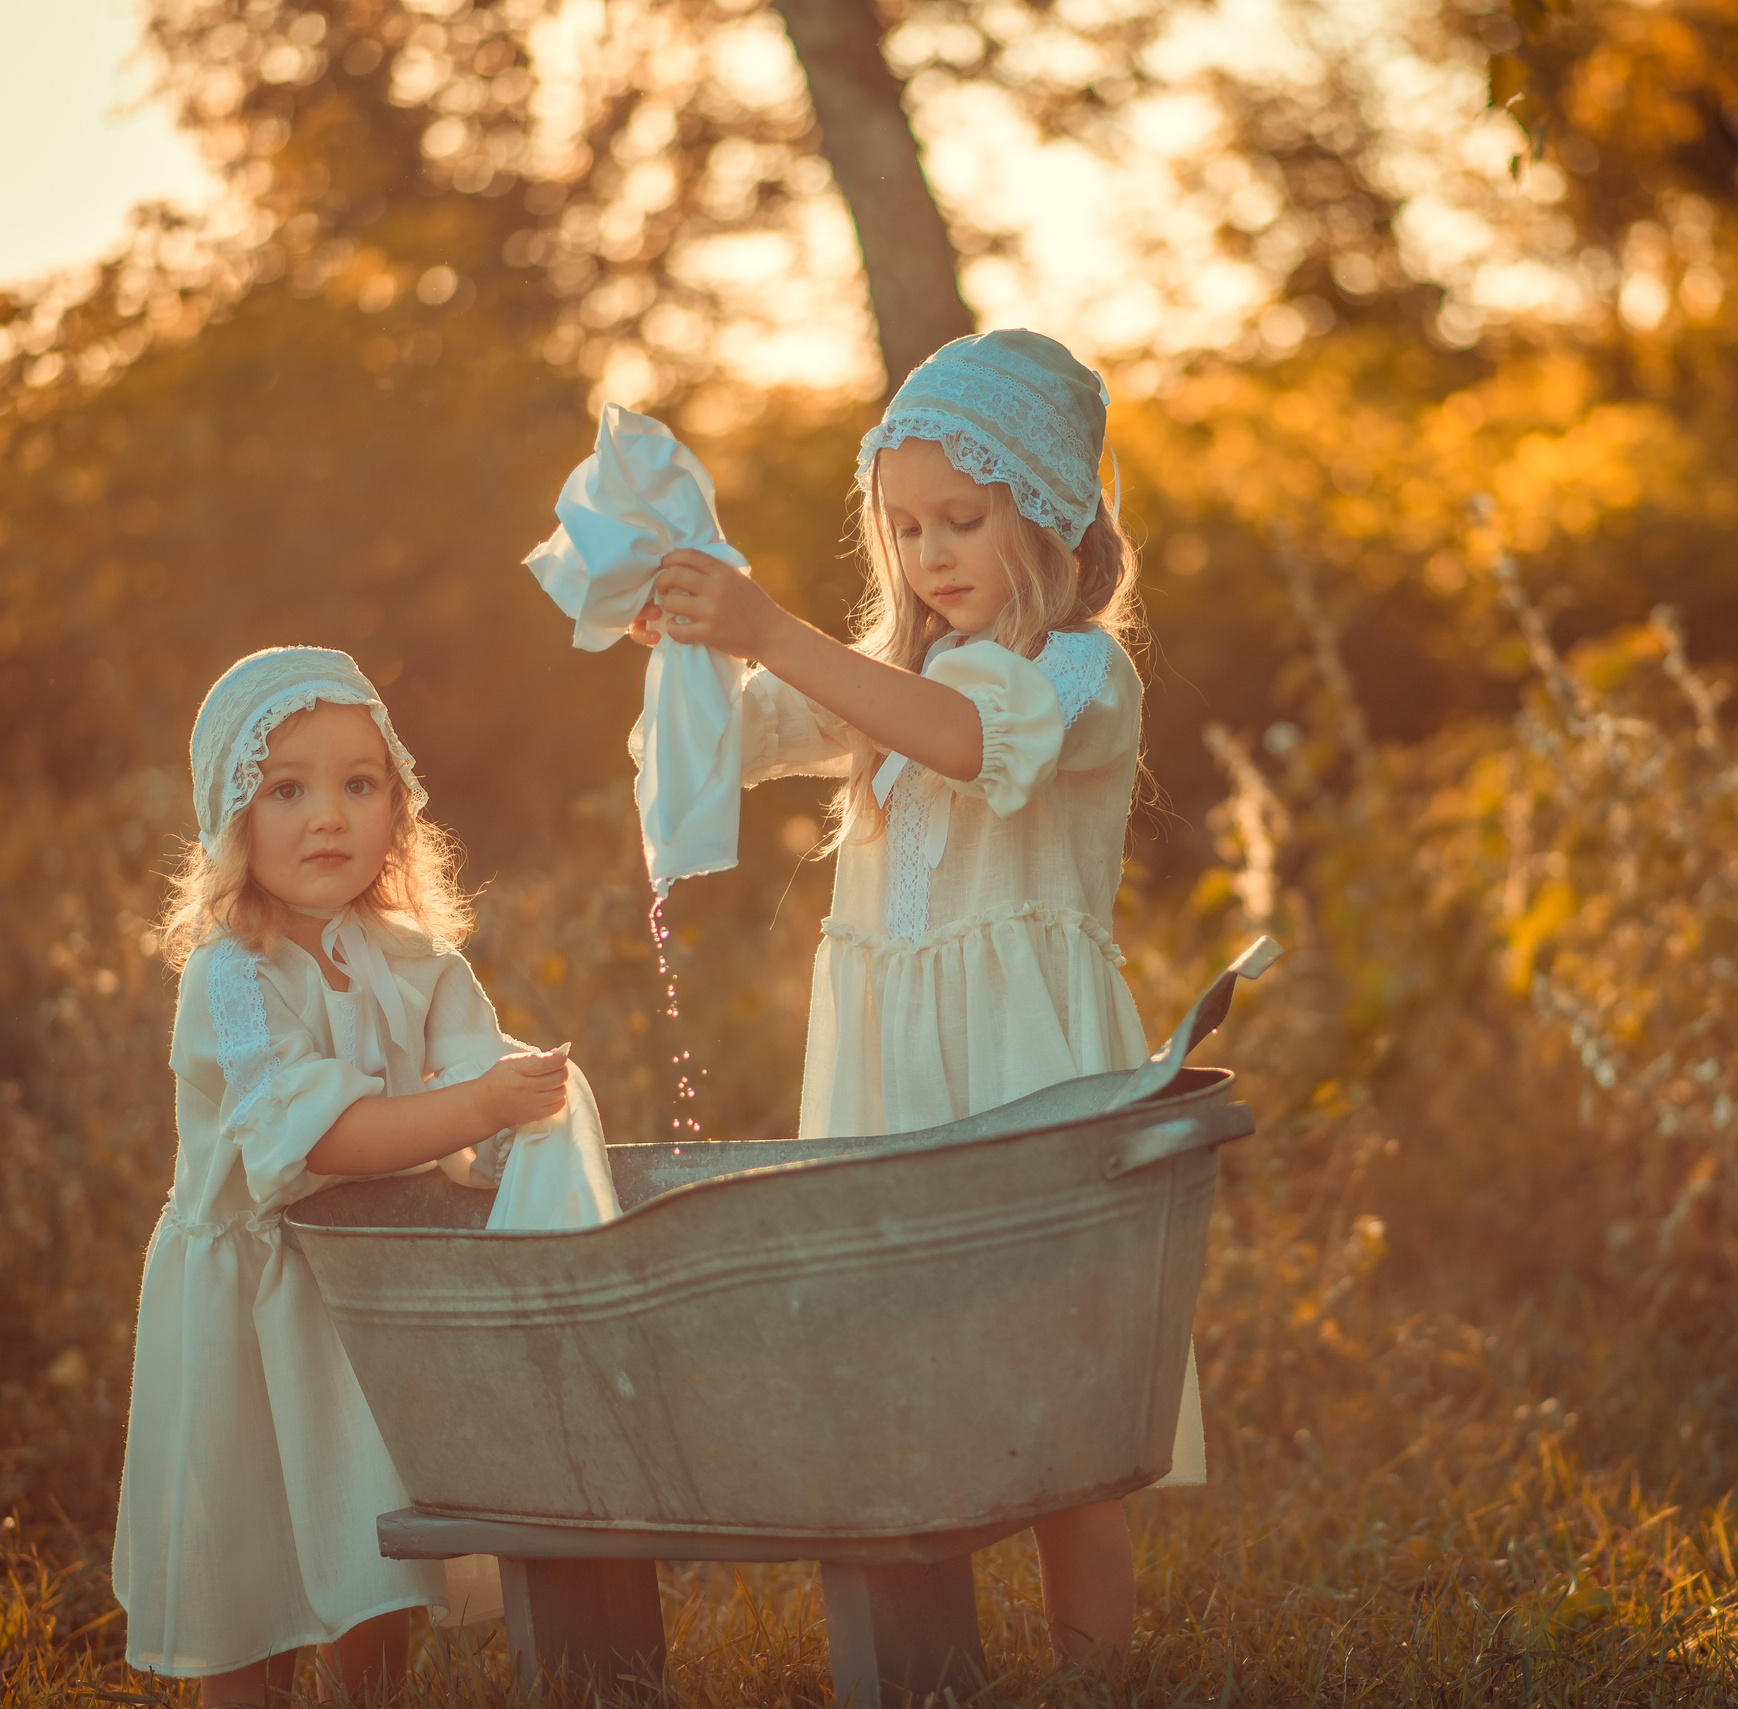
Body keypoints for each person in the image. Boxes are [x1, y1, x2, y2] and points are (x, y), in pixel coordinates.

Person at [632, 328, 1198, 1663]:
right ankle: (921, 1662)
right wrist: (699, 644)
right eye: (904, 526)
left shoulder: (1077, 675)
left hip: (1023, 1066)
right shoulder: (901, 677)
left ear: (1049, 517)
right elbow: (739, 740)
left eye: (964, 519)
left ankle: (1092, 1670)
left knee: (1059, 1394)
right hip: (897, 1065)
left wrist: (773, 625)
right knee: (906, 1373)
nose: (931, 552)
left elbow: (959, 739)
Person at [114, 646, 596, 1706]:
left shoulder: (410, 957)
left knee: (362, 1535)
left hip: (365, 1301)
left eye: (358, 784)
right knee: (250, 1553)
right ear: (232, 816)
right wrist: (472, 1108)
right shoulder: (230, 978)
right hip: (250, 1299)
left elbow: (476, 1058)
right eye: (286, 787)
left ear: (398, 811)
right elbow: (317, 1135)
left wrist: (518, 1106)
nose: (326, 815)